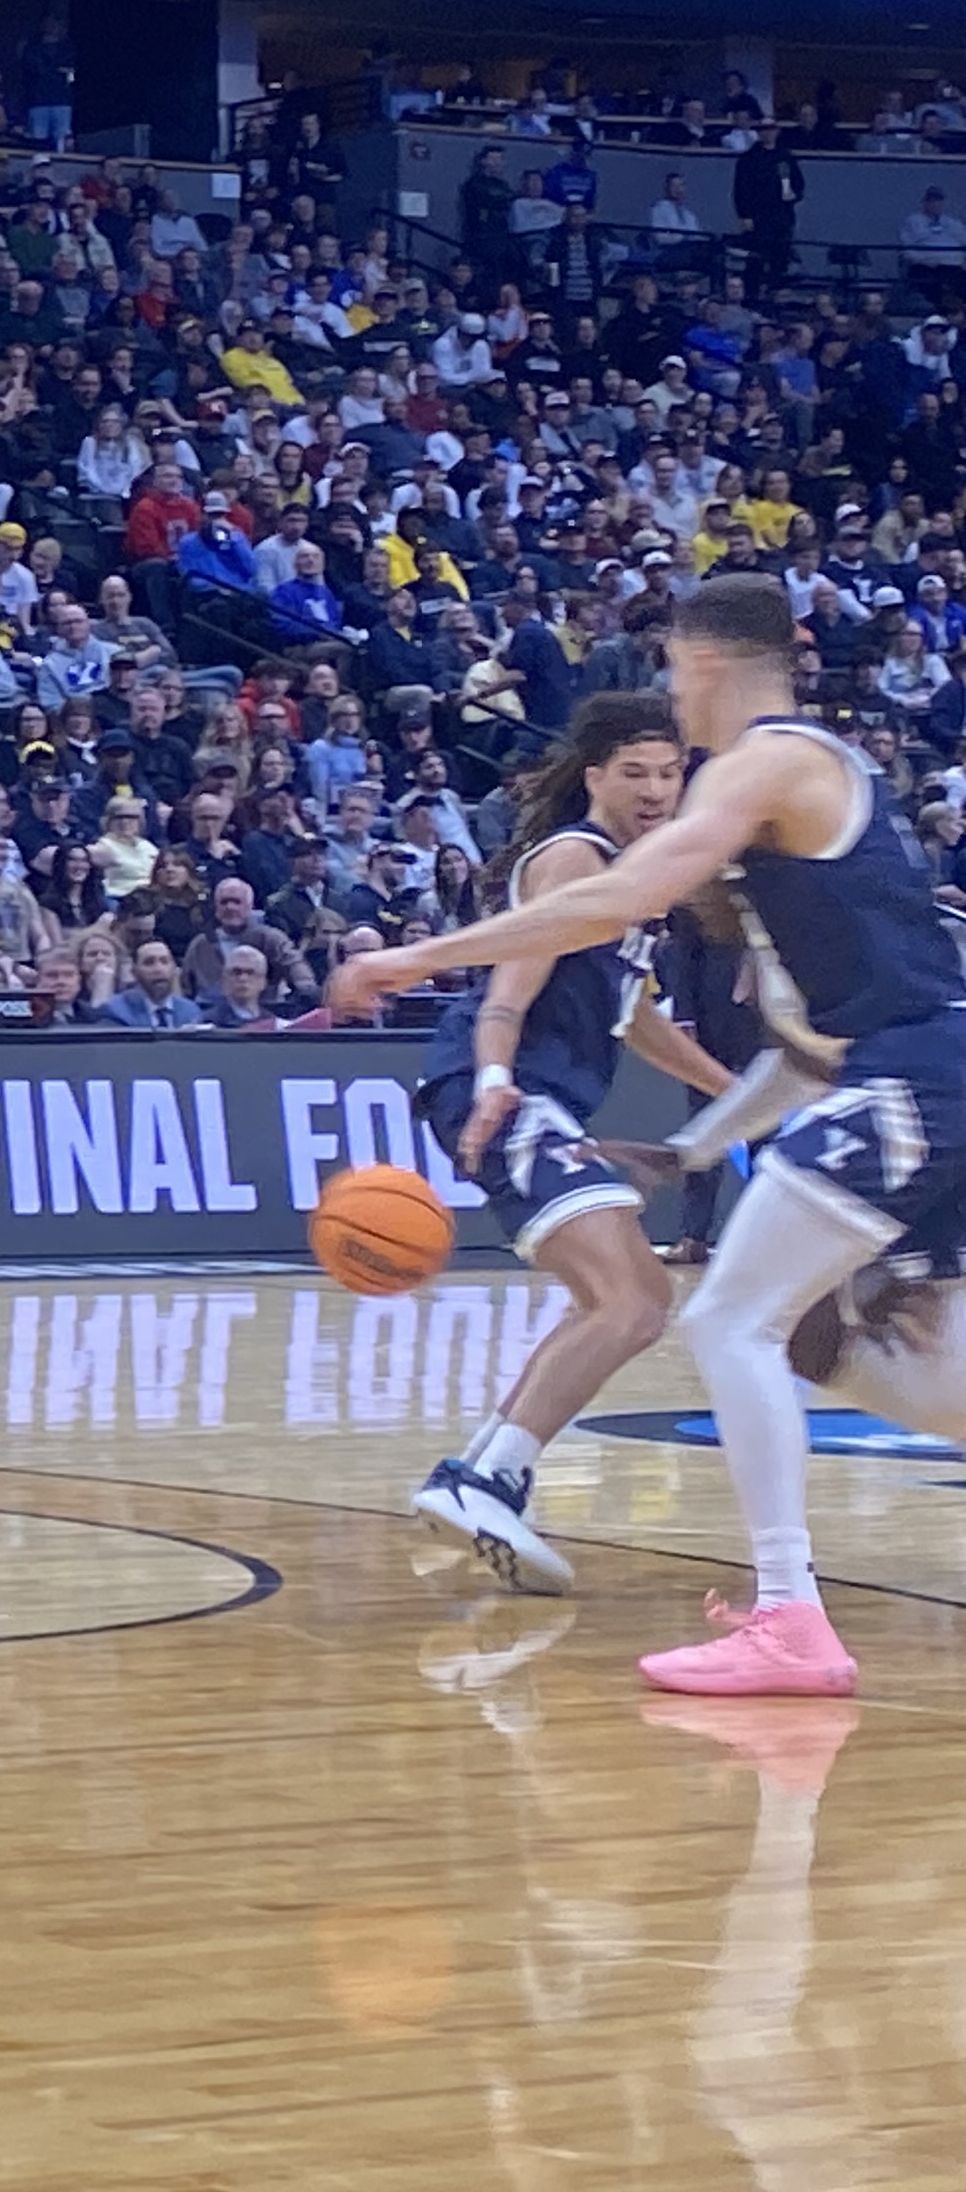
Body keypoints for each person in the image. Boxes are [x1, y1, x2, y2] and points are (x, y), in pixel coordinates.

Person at [336, 576, 965, 1698]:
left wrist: (411, 960)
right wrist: (690, 1150)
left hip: (918, 1078)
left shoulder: (768, 761)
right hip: (911, 1075)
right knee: (896, 1358)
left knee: (730, 1315)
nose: (673, 701)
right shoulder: (817, 790)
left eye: (674, 673)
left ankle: (788, 1618)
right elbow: (807, 1048)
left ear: (704, 662)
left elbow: (614, 903)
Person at [395, 694, 732, 1593]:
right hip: (502, 1086)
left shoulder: (635, 881)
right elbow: (511, 986)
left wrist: (736, 1098)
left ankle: (478, 1472)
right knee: (634, 1299)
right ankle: (487, 1478)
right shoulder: (577, 859)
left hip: (536, 1095)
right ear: (593, 778)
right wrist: (498, 1075)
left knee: (619, 1299)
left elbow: (637, 1017)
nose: (657, 789)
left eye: (669, 772)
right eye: (636, 773)